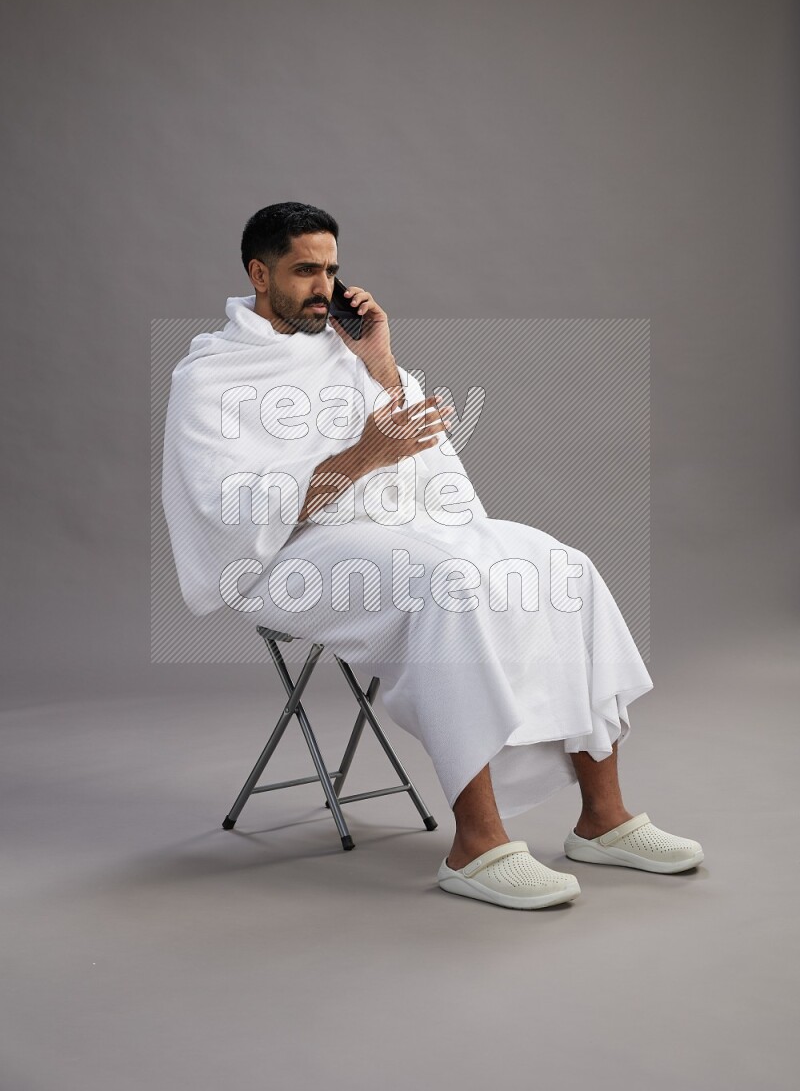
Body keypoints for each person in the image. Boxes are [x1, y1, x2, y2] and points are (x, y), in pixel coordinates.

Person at [161, 201, 704, 911]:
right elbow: (232, 511)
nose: (323, 287)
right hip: (287, 555)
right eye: (304, 271)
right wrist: (361, 455)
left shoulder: (347, 348)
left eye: (331, 269)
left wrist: (380, 359)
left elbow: (418, 459)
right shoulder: (211, 377)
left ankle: (602, 819)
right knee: (448, 583)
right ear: (259, 274)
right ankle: (475, 843)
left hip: (394, 527)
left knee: (560, 566)